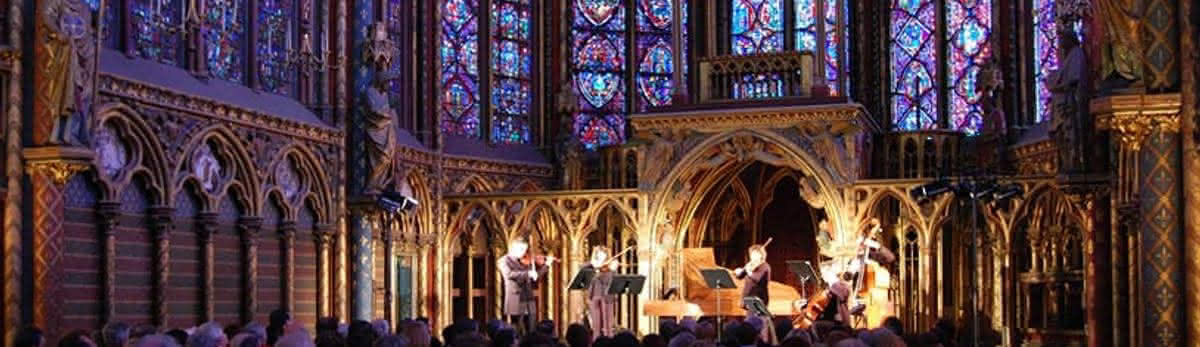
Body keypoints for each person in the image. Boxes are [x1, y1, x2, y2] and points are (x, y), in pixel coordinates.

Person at [497, 236, 554, 334]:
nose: (524, 252)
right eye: (521, 249)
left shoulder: (524, 261)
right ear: (513, 248)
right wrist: (528, 273)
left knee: (531, 328)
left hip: (529, 297)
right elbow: (509, 274)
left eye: (525, 249)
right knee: (517, 328)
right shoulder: (504, 260)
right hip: (515, 298)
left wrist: (547, 265)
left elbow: (535, 276)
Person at [582, 246, 619, 337]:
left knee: (608, 327)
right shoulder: (590, 266)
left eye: (603, 255)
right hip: (594, 297)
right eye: (598, 255)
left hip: (607, 297)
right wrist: (593, 265)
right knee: (596, 326)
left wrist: (609, 270)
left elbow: (607, 281)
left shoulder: (610, 268)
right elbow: (582, 271)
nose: (601, 258)